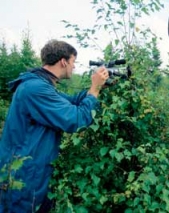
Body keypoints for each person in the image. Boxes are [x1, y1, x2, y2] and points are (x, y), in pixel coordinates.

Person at [0, 39, 109, 212]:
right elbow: (75, 119)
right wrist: (94, 90)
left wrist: (99, 86)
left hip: (33, 171)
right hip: (23, 176)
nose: (74, 67)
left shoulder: (41, 84)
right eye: (73, 62)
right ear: (63, 61)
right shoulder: (35, 88)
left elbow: (72, 101)